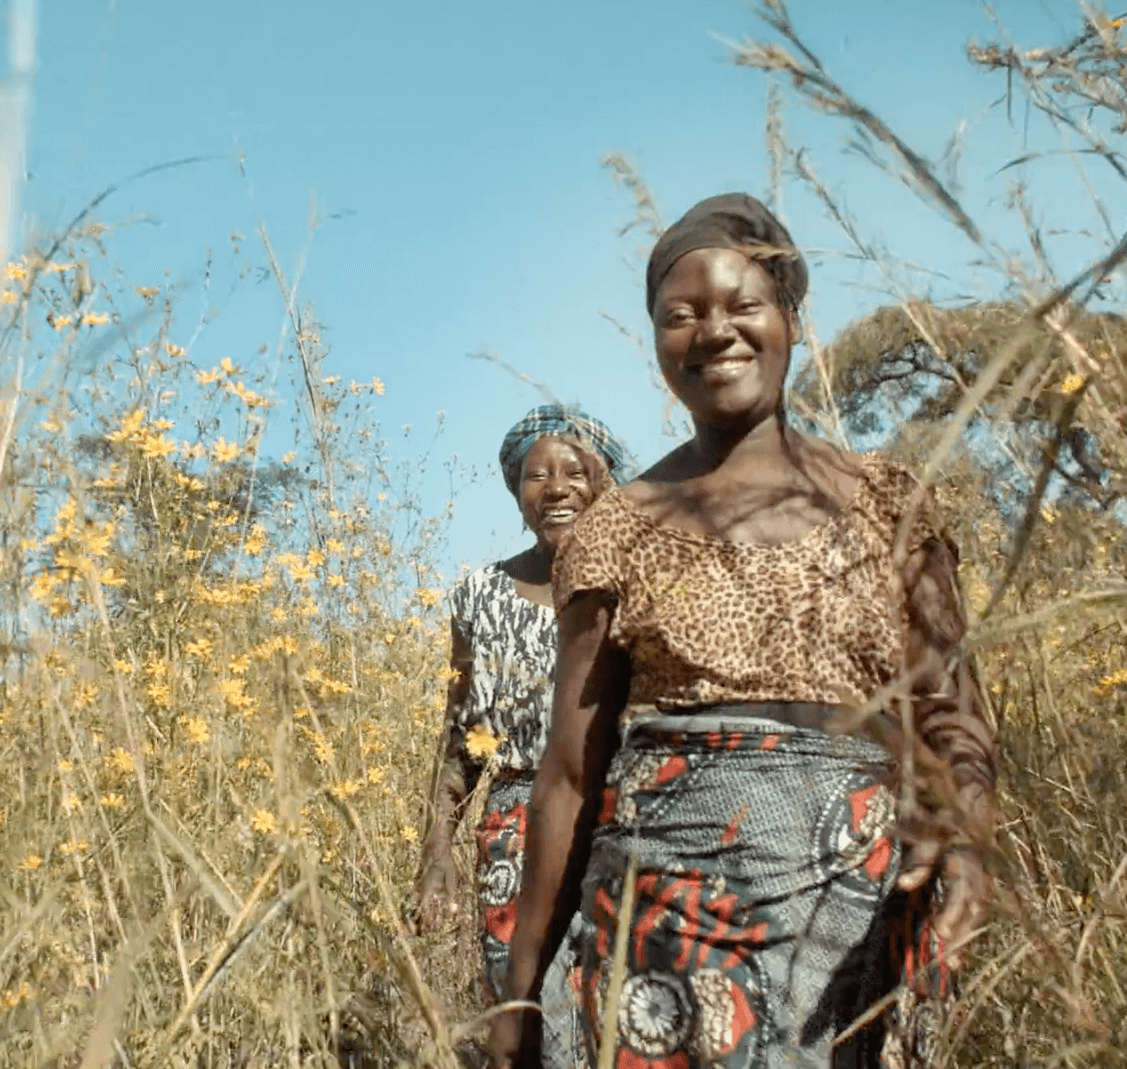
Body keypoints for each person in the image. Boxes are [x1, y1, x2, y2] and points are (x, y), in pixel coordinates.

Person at [488, 194, 997, 1068]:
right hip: (659, 947)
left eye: (742, 305)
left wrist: (970, 838)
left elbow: (954, 711)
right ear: (656, 344)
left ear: (791, 318)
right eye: (679, 316)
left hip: (857, 930)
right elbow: (569, 777)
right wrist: (521, 993)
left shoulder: (890, 503)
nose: (712, 332)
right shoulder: (620, 528)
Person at [415, 405, 639, 1005]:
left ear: (604, 485)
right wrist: (437, 853)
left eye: (575, 472)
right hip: (517, 832)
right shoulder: (479, 596)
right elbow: (460, 737)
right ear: (517, 491)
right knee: (523, 1007)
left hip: (623, 823)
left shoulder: (636, 584)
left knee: (621, 1011)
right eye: (537, 475)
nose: (557, 488)